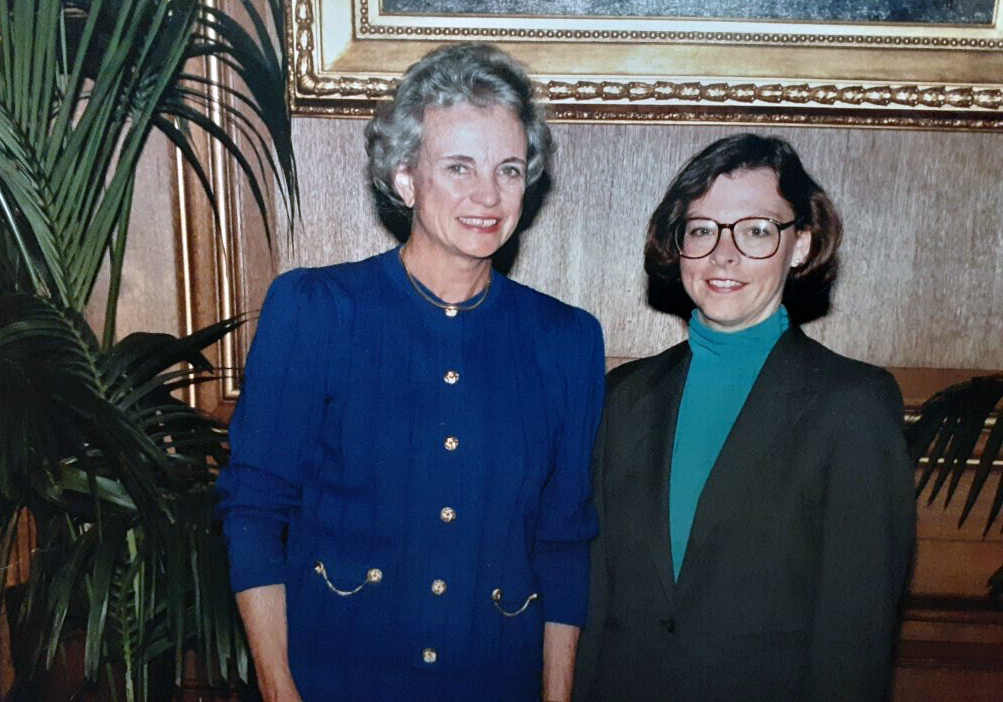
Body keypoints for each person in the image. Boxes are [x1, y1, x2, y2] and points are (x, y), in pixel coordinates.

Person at [217, 43, 605, 701]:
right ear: (405, 177)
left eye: (509, 170)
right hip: (336, 681)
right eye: (458, 167)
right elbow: (253, 511)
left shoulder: (566, 340)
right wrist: (280, 690)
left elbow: (563, 542)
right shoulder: (317, 310)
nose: (488, 195)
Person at [573, 134, 916, 701]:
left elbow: (855, 634)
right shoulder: (624, 397)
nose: (722, 255)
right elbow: (595, 595)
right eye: (701, 229)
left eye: (756, 230)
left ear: (800, 244)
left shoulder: (853, 404)